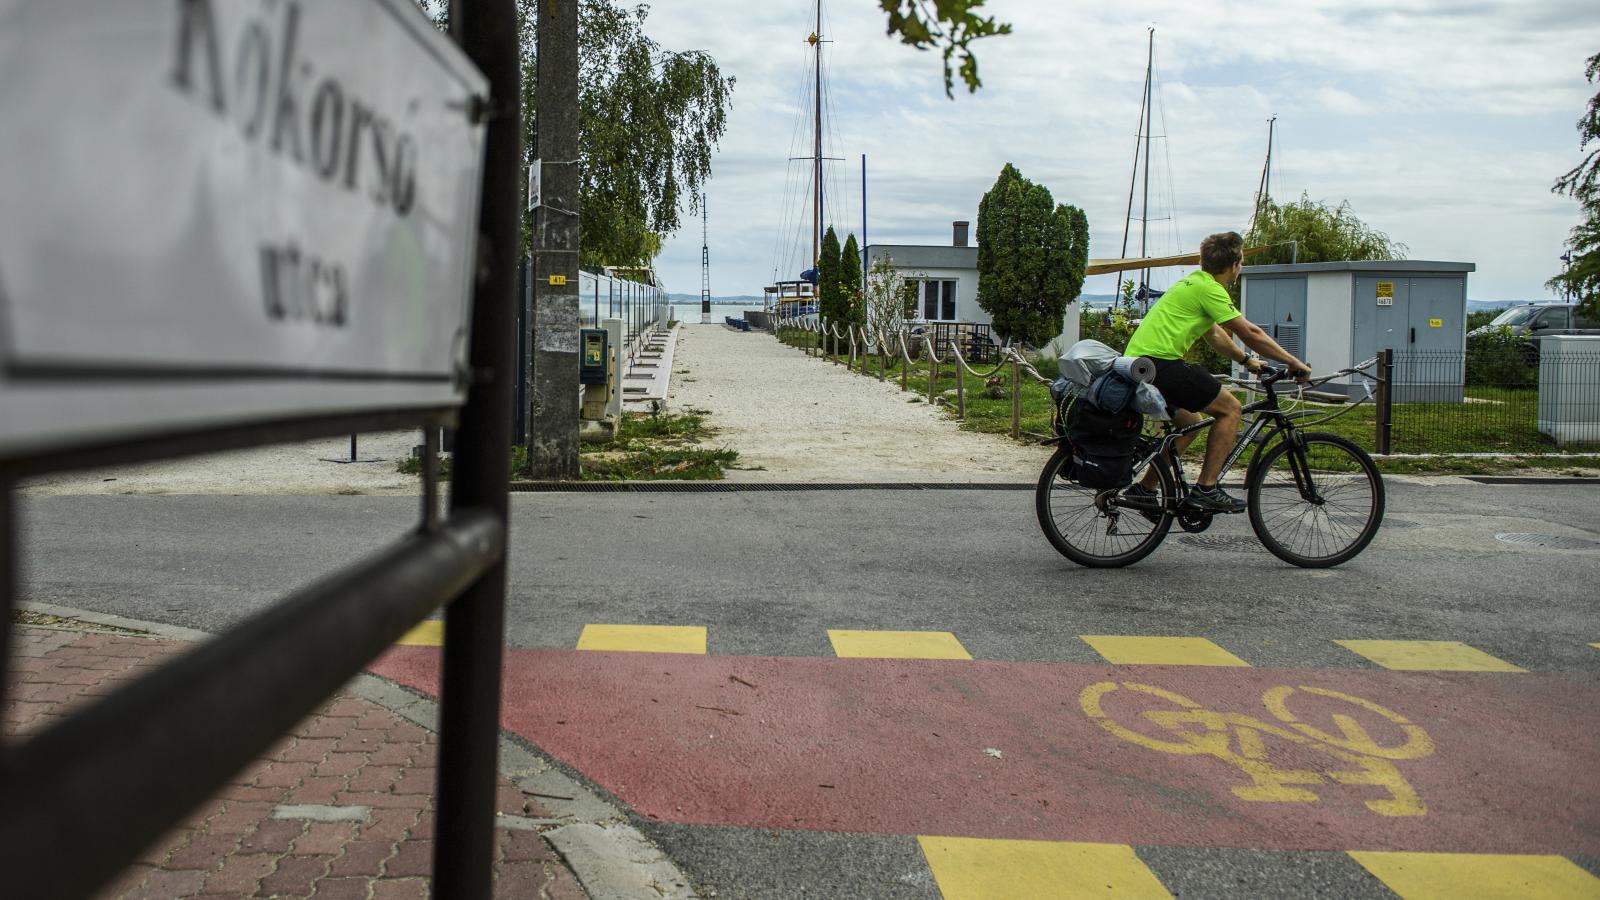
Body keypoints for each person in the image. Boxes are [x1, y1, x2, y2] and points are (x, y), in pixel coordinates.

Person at [1122, 231, 1310, 513]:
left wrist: (1247, 362)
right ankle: (1206, 489)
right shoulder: (1210, 289)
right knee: (1231, 409)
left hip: (1142, 366)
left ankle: (1145, 489)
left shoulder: (1193, 284)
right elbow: (1249, 331)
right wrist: (1294, 362)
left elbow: (1214, 333)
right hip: (1161, 364)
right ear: (1235, 265)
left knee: (1190, 422)